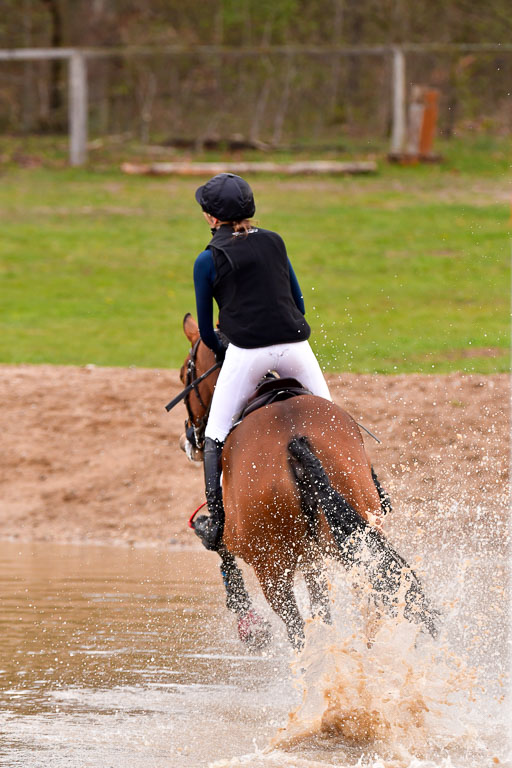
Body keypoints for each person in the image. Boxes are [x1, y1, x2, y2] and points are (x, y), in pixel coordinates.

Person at [192, 172, 332, 551]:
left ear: (210, 218)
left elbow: (206, 333)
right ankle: (374, 487)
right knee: (335, 420)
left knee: (214, 437)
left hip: (247, 355)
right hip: (296, 350)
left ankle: (218, 525)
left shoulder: (207, 261)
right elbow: (298, 303)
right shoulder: (275, 241)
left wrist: (226, 350)